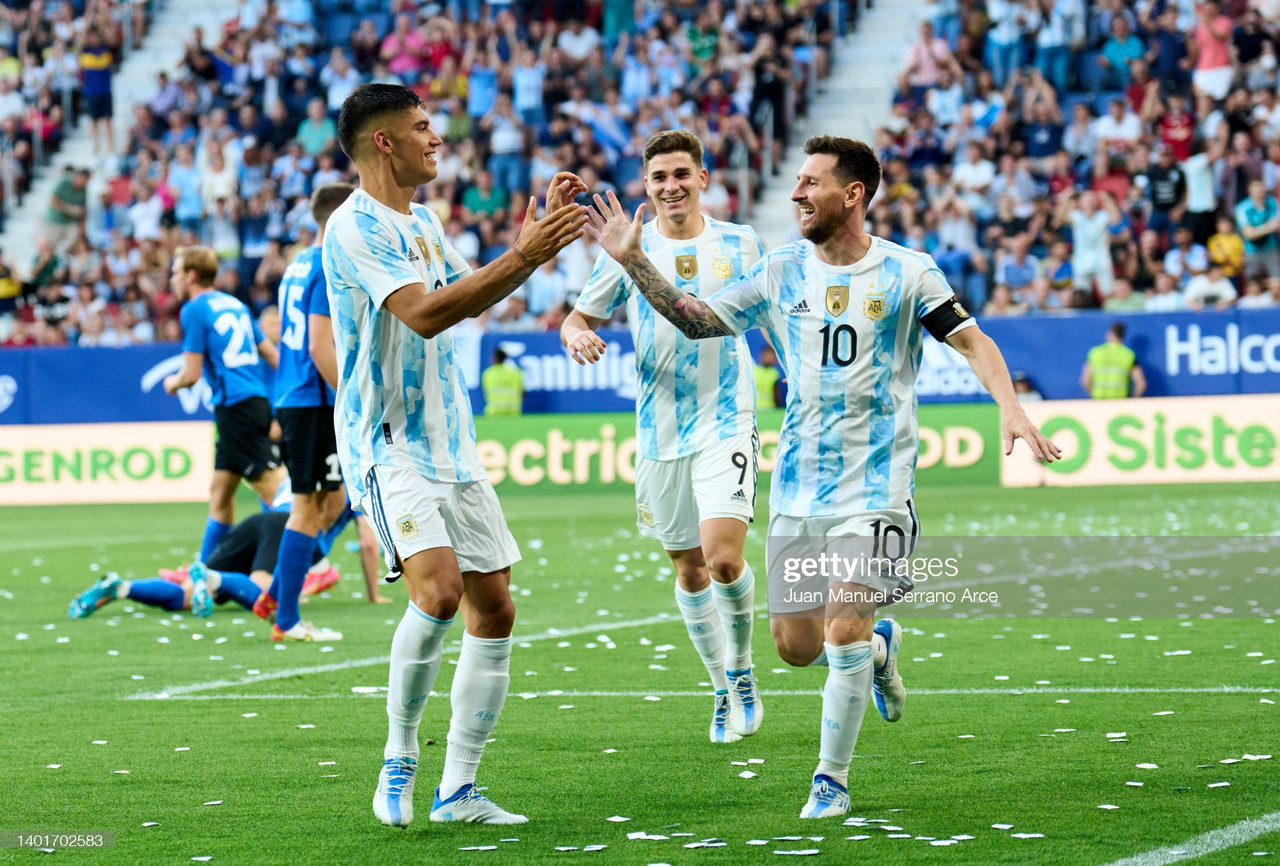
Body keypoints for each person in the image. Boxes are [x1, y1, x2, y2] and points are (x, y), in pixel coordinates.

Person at [584, 135, 1059, 819]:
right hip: (801, 490)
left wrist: (1010, 406)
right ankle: (881, 646)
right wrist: (634, 264)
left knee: (840, 630)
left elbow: (971, 339)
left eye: (810, 183)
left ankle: (829, 781)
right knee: (798, 648)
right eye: (798, 181)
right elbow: (696, 321)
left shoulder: (907, 271)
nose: (797, 193)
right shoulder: (780, 271)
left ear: (853, 195)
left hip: (877, 489)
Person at [321, 83, 586, 828]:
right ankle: (400, 755)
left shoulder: (427, 221)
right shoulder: (354, 228)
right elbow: (429, 314)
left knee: (494, 607)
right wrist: (521, 254)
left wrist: (534, 240)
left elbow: (472, 290)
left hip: (451, 441)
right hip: (388, 442)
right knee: (437, 593)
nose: (437, 139)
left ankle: (459, 789)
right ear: (385, 142)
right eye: (423, 128)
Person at [562, 129, 766, 745]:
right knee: (688, 569)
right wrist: (576, 336)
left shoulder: (741, 242)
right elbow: (579, 316)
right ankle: (721, 687)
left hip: (727, 416)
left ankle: (744, 670)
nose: (671, 186)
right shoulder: (627, 246)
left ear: (704, 177)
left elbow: (762, 313)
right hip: (660, 430)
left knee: (723, 557)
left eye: (682, 173)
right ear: (646, 187)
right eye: (658, 178)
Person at [257, 182, 357, 643]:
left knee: (333, 502)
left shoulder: (297, 265)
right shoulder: (325, 265)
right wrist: (354, 395)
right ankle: (287, 620)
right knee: (308, 507)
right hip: (314, 400)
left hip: (298, 397)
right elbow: (319, 345)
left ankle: (276, 594)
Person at [164, 246, 287, 564]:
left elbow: (191, 375)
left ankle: (309, 564)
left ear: (191, 275)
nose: (172, 279)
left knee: (277, 495)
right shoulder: (235, 304)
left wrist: (172, 383)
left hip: (236, 409)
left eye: (176, 272)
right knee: (220, 495)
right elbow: (272, 356)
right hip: (251, 403)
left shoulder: (193, 309)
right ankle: (202, 573)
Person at [1082, 322, 1146, 399]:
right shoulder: (1129, 355)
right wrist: (1133, 400)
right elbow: (1141, 384)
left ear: (1109, 334)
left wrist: (1094, 394)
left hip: (1099, 400)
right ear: (1123, 336)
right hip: (1120, 402)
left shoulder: (1095, 353)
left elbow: (1085, 380)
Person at [481, 346, 524, 416]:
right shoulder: (516, 372)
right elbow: (522, 393)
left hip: (493, 413)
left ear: (495, 358)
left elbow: (485, 392)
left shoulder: (488, 373)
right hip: (513, 413)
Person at [755, 343, 783, 410]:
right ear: (762, 356)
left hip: (770, 410)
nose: (769, 358)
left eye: (772, 356)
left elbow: (776, 394)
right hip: (755, 410)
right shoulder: (753, 370)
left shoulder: (774, 373)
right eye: (767, 355)